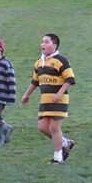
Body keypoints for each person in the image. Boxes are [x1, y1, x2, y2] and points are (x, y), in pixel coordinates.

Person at [21, 33, 77, 164]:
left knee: (54, 127)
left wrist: (59, 93)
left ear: (55, 45)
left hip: (59, 100)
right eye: (42, 42)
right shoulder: (39, 63)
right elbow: (35, 81)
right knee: (42, 127)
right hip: (45, 100)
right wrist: (27, 95)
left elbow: (70, 79)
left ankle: (58, 158)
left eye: (46, 42)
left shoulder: (61, 60)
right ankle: (64, 142)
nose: (43, 45)